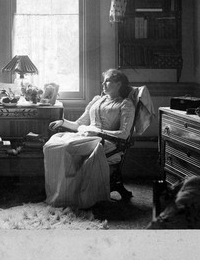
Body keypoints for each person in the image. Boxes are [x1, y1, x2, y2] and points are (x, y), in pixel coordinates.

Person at [43, 68, 136, 209]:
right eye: (103, 81)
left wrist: (98, 132)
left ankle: (68, 194)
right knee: (53, 143)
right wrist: (62, 122)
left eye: (108, 81)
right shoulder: (97, 100)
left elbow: (124, 134)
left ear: (119, 84)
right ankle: (62, 192)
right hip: (87, 136)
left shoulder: (125, 104)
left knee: (67, 147)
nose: (103, 84)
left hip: (107, 142)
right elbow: (79, 124)